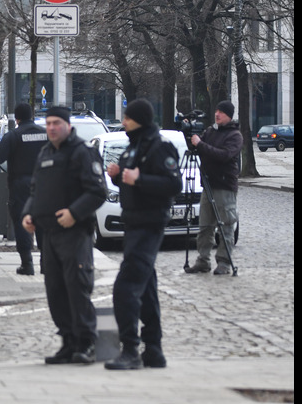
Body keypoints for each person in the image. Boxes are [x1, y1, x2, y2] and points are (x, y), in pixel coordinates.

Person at [20, 106, 106, 364]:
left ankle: (86, 342)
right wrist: (28, 214)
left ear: (68, 125)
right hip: (48, 234)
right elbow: (35, 190)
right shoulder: (45, 152)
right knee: (55, 291)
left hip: (74, 232)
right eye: (48, 123)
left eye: (57, 123)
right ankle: (68, 342)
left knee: (76, 287)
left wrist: (74, 213)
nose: (52, 127)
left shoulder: (82, 152)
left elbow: (97, 191)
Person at [104, 99, 182, 370]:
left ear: (139, 119)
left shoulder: (160, 146)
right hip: (133, 223)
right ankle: (154, 350)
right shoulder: (134, 146)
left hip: (150, 224)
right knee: (146, 288)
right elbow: (131, 179)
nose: (123, 121)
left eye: (127, 117)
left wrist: (138, 179)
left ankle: (130, 350)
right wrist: (118, 176)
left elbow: (173, 183)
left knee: (125, 287)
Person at [186, 100, 243, 275]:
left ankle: (224, 262)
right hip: (208, 185)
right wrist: (188, 133)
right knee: (205, 226)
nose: (217, 114)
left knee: (225, 225)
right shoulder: (210, 131)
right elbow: (195, 148)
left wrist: (200, 144)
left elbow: (224, 155)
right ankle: (203, 260)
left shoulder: (234, 136)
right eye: (216, 111)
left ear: (229, 115)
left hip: (224, 186)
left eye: (222, 112)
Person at [0, 102, 49, 275]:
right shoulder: (45, 133)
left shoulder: (14, 135)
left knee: (23, 222)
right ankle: (46, 264)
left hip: (20, 184)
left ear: (16, 118)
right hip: (44, 183)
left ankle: (27, 263)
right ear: (32, 115)